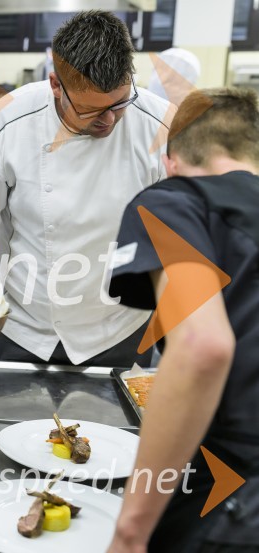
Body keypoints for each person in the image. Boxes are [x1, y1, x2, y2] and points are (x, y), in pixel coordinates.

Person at [0, 10, 171, 368]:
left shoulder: (162, 127)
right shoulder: (7, 122)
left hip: (120, 329)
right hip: (20, 326)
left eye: (119, 104)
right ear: (56, 85)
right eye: (90, 110)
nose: (109, 120)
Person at [107, 88, 259, 553]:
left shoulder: (175, 202)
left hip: (235, 502)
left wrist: (130, 533)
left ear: (171, 161)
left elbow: (202, 346)